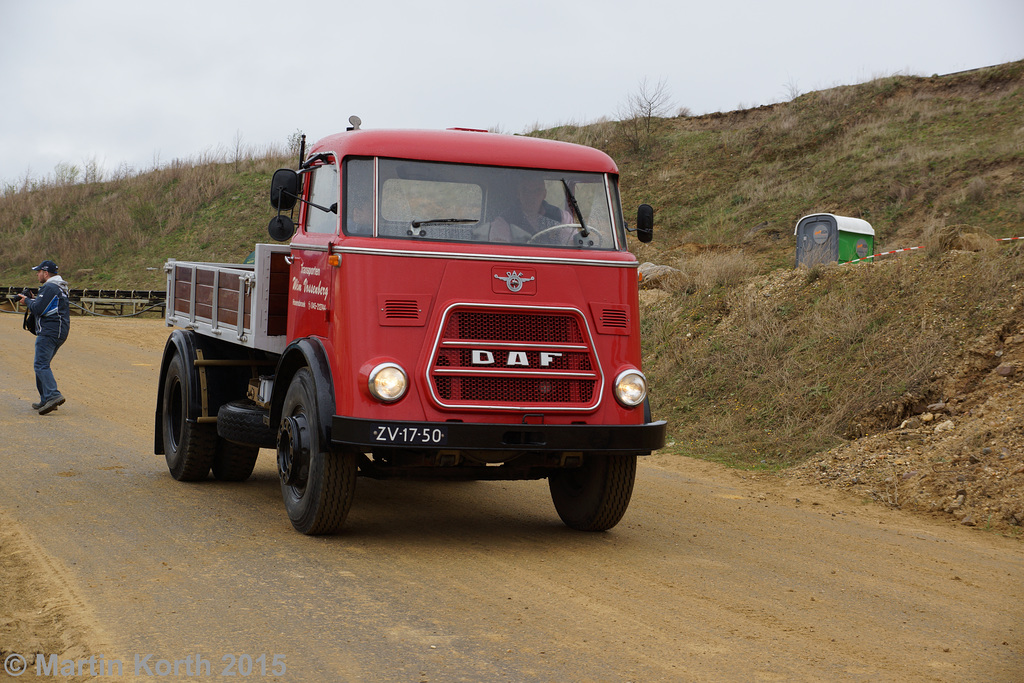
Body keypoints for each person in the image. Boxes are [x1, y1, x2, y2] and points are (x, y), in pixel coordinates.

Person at [17, 260, 71, 415]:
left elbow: (39, 309)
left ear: (46, 273)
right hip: (58, 331)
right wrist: (34, 299)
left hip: (49, 331)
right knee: (42, 365)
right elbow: (47, 306)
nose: (37, 274)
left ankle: (53, 395)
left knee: (41, 364)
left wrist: (27, 301)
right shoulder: (59, 287)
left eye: (39, 271)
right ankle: (46, 398)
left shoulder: (50, 287)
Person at [490, 176, 572, 244]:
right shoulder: (504, 220)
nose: (531, 196)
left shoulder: (561, 216)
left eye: (537, 191)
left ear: (544, 194)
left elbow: (572, 244)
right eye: (525, 190)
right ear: (518, 194)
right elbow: (499, 250)